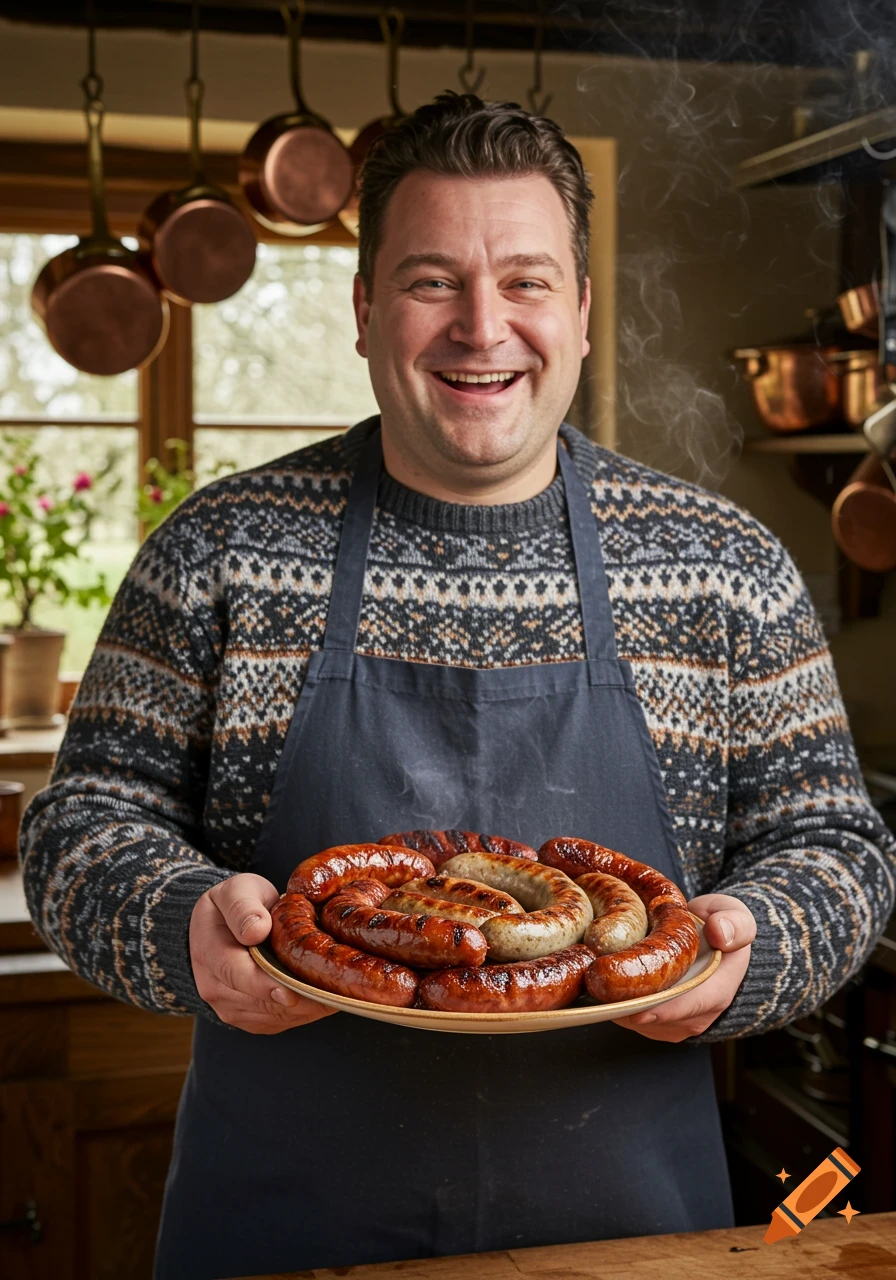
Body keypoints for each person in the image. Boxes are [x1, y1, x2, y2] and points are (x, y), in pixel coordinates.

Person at [20, 92, 895, 1280]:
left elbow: (836, 847)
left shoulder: (721, 566)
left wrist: (759, 938)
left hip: (631, 1239)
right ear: (366, 308)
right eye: (433, 280)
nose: (481, 328)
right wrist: (182, 925)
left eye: (526, 282)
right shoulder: (216, 548)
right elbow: (76, 831)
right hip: (280, 1236)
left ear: (580, 313)